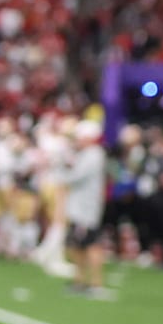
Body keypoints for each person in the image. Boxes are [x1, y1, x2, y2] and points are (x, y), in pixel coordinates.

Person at [62, 118, 109, 295]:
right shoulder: (87, 154)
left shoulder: (93, 154)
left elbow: (74, 176)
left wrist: (64, 167)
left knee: (91, 244)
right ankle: (80, 280)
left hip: (86, 209)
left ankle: (96, 283)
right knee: (78, 245)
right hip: (80, 208)